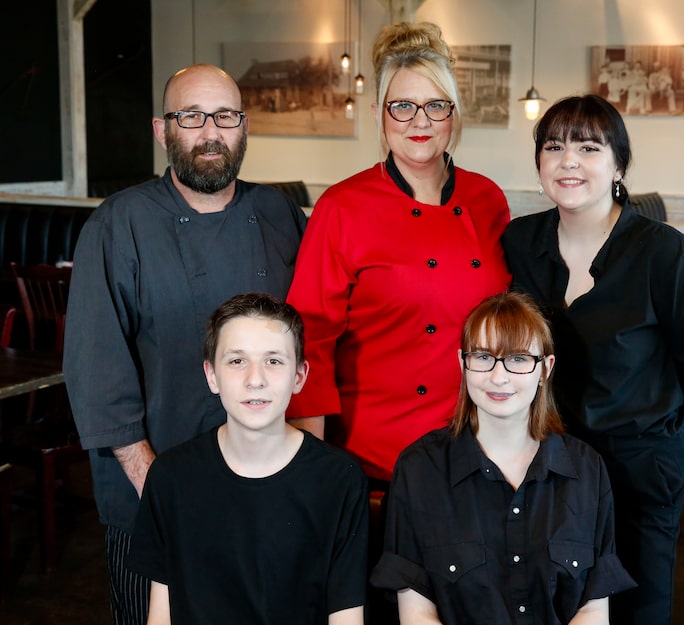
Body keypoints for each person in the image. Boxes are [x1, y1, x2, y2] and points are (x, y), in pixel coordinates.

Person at [63, 64, 307, 625]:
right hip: (153, 496)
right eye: (191, 116)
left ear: (243, 127)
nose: (209, 132)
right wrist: (163, 492)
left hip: (266, 496)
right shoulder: (117, 224)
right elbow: (97, 373)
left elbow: (305, 346)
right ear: (162, 129)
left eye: (224, 116)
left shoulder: (278, 215)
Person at [500, 95, 684, 625]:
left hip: (637, 469)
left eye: (589, 147)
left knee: (637, 609)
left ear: (618, 165)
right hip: (548, 463)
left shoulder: (663, 252)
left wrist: (660, 413)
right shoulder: (520, 241)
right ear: (539, 163)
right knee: (553, 604)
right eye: (554, 147)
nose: (569, 161)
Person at [286, 22, 511, 485]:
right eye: (403, 106)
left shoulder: (487, 199)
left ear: (454, 113)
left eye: (435, 106)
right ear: (379, 114)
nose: (420, 121)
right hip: (374, 456)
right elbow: (310, 338)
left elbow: (509, 320)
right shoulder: (342, 207)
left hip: (477, 444)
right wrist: (310, 465)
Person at [371, 292, 636, 624]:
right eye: (483, 357)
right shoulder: (419, 469)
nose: (499, 377)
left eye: (519, 359)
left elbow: (594, 609)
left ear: (545, 369)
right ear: (462, 363)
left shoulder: (587, 469)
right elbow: (416, 613)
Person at [127, 293, 368, 625]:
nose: (256, 379)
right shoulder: (170, 476)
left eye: (273, 361)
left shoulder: (340, 480)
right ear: (212, 375)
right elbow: (161, 610)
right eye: (237, 361)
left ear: (299, 376)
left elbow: (346, 614)